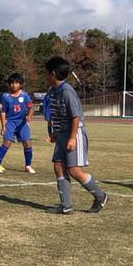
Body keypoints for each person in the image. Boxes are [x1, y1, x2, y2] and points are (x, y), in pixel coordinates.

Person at [44, 57, 106, 214]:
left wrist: (72, 138)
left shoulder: (67, 91)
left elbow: (75, 117)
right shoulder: (52, 92)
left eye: (46, 73)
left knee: (73, 170)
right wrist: (53, 134)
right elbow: (54, 115)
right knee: (58, 166)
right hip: (61, 134)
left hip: (74, 132)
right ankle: (66, 205)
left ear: (52, 74)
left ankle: (100, 196)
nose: (45, 77)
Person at [0, 73, 35, 174]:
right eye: (12, 83)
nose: (14, 85)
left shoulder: (25, 95)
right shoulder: (5, 96)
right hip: (10, 122)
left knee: (27, 143)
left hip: (22, 122)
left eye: (16, 83)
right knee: (7, 142)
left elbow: (31, 107)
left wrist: (29, 116)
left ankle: (28, 165)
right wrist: (3, 126)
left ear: (20, 84)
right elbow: (3, 112)